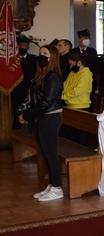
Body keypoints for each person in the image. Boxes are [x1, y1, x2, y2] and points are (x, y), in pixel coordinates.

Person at [19, 45, 65, 202]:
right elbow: (33, 97)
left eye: (45, 54)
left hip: (50, 118)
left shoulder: (54, 76)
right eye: (40, 53)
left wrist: (28, 115)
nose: (41, 56)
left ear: (52, 57)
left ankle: (58, 188)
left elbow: (46, 101)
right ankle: (51, 185)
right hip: (40, 117)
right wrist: (24, 112)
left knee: (51, 153)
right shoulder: (41, 74)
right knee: (45, 153)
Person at [11, 35, 37, 129]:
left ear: (28, 46)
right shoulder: (12, 60)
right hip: (16, 90)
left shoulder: (34, 59)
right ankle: (17, 132)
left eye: (24, 45)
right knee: (15, 113)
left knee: (29, 113)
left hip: (29, 91)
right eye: (20, 45)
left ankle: (30, 134)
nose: (22, 47)